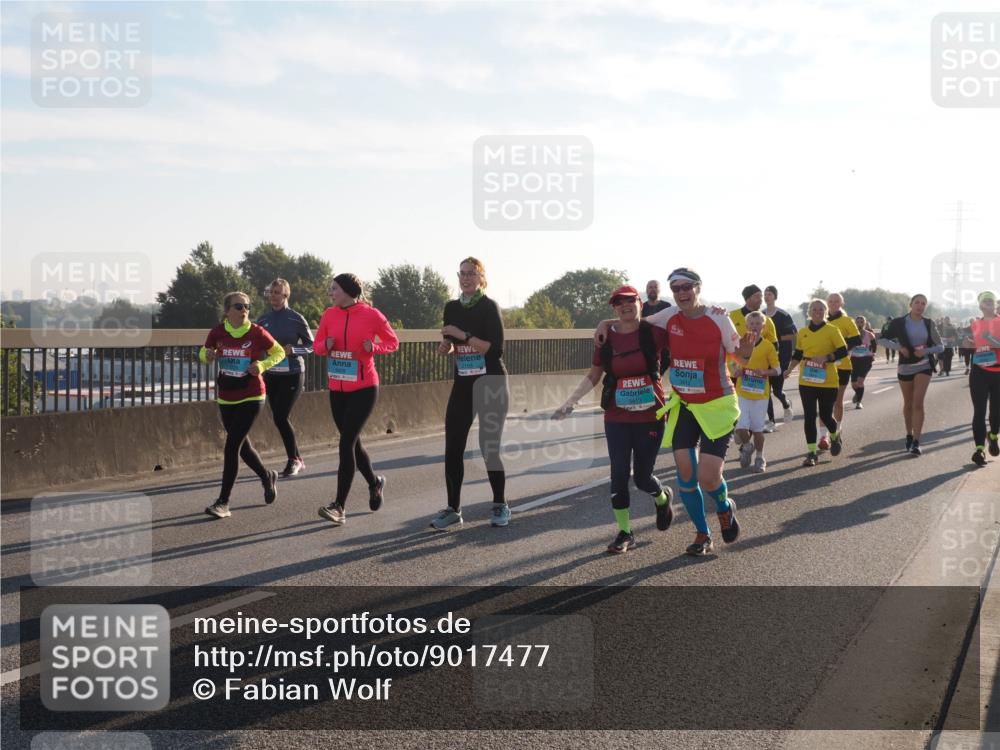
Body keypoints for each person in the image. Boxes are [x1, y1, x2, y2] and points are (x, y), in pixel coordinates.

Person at [597, 268, 754, 556]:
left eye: (687, 287)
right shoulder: (669, 316)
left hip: (717, 404)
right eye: (676, 287)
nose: (682, 292)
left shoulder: (719, 317)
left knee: (708, 477)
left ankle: (724, 506)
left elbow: (739, 356)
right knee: (685, 472)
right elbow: (632, 320)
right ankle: (701, 534)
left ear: (698, 287)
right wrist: (604, 322)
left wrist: (745, 350)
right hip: (684, 405)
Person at [553, 285, 673, 553]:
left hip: (650, 416)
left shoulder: (653, 333)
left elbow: (681, 325)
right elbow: (594, 375)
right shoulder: (605, 339)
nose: (624, 306)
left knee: (642, 479)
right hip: (617, 417)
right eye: (618, 303)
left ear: (640, 303)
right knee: (618, 475)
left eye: (630, 301)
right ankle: (625, 532)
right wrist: (569, 403)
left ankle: (662, 498)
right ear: (614, 309)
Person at [430, 257, 510, 530]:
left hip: (491, 383)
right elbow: (450, 340)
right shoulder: (451, 307)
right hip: (464, 383)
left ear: (481, 278)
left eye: (471, 274)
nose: (465, 278)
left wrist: (461, 335)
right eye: (461, 274)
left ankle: (500, 503)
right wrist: (446, 347)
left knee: (489, 447)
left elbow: (495, 350)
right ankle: (453, 508)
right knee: (453, 447)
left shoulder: (489, 307)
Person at [314, 274, 399, 525]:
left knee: (346, 443)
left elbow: (393, 342)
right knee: (353, 444)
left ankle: (339, 506)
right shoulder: (329, 315)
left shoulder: (371, 315)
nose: (331, 293)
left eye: (335, 289)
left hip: (364, 388)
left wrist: (375, 348)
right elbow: (317, 345)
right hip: (337, 388)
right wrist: (325, 345)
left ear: (349, 291)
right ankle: (375, 482)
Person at [201, 292, 286, 518]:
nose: (244, 310)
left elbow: (279, 352)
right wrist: (207, 355)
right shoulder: (218, 332)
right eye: (238, 306)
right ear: (227, 311)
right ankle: (267, 476)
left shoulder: (257, 332)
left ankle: (223, 502)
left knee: (232, 446)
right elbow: (203, 351)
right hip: (227, 395)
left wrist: (262, 365)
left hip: (252, 395)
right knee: (243, 448)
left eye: (247, 306)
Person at [257, 278, 314, 476]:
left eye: (278, 293)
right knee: (279, 417)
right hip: (272, 374)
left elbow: (312, 345)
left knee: (281, 416)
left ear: (286, 295)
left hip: (293, 374)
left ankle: (293, 460)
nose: (273, 296)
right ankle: (297, 458)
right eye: (271, 292)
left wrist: (294, 349)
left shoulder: (296, 318)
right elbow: (254, 343)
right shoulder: (263, 320)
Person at [877, 294, 943, 456]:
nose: (920, 306)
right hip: (905, 366)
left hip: (924, 366)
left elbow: (940, 346)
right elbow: (881, 339)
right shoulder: (899, 322)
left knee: (918, 403)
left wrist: (925, 351)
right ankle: (908, 434)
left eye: (923, 303)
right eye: (917, 303)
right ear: (911, 304)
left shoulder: (928, 323)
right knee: (908, 403)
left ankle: (916, 441)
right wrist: (899, 347)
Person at [784, 299, 848, 466]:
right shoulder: (803, 332)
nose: (818, 312)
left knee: (826, 415)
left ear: (825, 312)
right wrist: (789, 369)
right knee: (809, 416)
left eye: (821, 309)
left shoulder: (832, 330)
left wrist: (826, 358)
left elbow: (843, 351)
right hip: (807, 380)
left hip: (828, 381)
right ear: (809, 312)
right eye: (814, 309)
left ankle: (834, 436)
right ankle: (812, 453)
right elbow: (798, 353)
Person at [733, 311, 780, 472]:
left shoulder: (768, 346)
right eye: (751, 324)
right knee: (740, 427)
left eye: (758, 324)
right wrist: (737, 371)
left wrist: (765, 372)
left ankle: (760, 457)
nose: (754, 327)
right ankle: (747, 446)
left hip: (760, 394)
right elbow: (734, 365)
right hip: (742, 392)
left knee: (758, 429)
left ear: (763, 326)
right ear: (746, 326)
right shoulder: (740, 343)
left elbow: (778, 369)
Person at [730, 285, 779, 437]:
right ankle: (739, 430)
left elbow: (774, 345)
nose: (761, 299)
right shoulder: (732, 315)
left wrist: (767, 368)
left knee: (759, 397)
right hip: (734, 366)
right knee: (736, 404)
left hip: (757, 372)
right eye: (757, 296)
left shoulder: (766, 320)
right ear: (748, 298)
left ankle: (764, 422)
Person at [818, 293, 862, 450]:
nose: (833, 303)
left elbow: (857, 340)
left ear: (841, 303)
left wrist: (839, 349)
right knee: (823, 403)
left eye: (837, 301)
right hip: (824, 366)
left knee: (837, 401)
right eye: (830, 301)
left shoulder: (846, 321)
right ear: (827, 303)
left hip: (842, 365)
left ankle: (836, 429)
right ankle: (823, 436)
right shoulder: (821, 320)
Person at [964, 291, 1000, 467]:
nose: (987, 304)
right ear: (979, 305)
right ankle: (979, 450)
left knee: (996, 412)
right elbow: (978, 344)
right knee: (979, 411)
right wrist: (969, 344)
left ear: (995, 304)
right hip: (979, 370)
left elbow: (993, 342)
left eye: (990, 301)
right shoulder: (975, 324)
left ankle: (993, 437)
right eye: (984, 301)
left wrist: (991, 339)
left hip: (998, 372)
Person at [764, 285, 796, 424]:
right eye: (765, 294)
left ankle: (786, 404)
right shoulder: (761, 315)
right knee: (765, 391)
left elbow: (793, 334)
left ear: (775, 297)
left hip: (781, 357)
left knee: (777, 391)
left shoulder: (783, 315)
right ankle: (771, 421)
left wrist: (775, 338)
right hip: (764, 358)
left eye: (769, 294)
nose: (767, 296)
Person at [642, 280, 671, 376]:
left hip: (664, 352)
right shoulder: (641, 307)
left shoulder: (667, 307)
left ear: (659, 290)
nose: (653, 289)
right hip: (645, 350)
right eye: (650, 287)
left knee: (657, 379)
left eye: (655, 287)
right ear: (646, 290)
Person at [849, 315, 877, 409]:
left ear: (864, 323)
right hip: (854, 359)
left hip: (866, 359)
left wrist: (873, 353)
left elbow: (874, 345)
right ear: (855, 323)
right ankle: (857, 393)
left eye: (861, 322)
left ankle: (859, 402)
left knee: (860, 382)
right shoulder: (851, 335)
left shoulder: (869, 334)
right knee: (853, 384)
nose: (860, 324)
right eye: (858, 322)